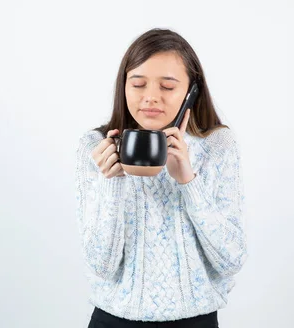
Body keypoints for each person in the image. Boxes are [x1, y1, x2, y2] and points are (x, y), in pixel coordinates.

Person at [74, 28, 248, 327]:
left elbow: (231, 260)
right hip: (112, 321)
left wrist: (187, 181)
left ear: (192, 91)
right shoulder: (96, 147)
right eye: (138, 84)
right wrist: (112, 183)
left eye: (167, 86)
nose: (150, 97)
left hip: (195, 321)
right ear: (123, 87)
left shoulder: (217, 146)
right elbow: (100, 266)